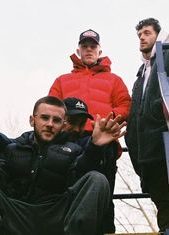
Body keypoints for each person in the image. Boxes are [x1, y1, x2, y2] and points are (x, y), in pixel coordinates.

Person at [0, 96, 126, 235]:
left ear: (63, 125)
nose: (50, 124)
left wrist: (95, 147)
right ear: (32, 120)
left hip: (57, 217)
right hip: (15, 215)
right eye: (45, 118)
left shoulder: (74, 150)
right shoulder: (13, 148)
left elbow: (81, 176)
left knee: (98, 178)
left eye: (57, 120)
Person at [48, 29, 131, 233]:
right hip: (67, 140)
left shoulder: (115, 80)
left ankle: (105, 231)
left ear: (99, 50)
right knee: (61, 189)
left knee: (102, 189)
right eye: (85, 46)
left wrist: (104, 122)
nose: (89, 50)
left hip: (103, 140)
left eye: (93, 46)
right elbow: (51, 105)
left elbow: (126, 106)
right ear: (78, 49)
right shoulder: (62, 80)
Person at [125, 18, 169, 232]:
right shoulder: (140, 76)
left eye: (147, 33)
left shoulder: (167, 58)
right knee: (163, 205)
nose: (142, 37)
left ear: (158, 35)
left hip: (165, 144)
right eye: (139, 34)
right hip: (148, 152)